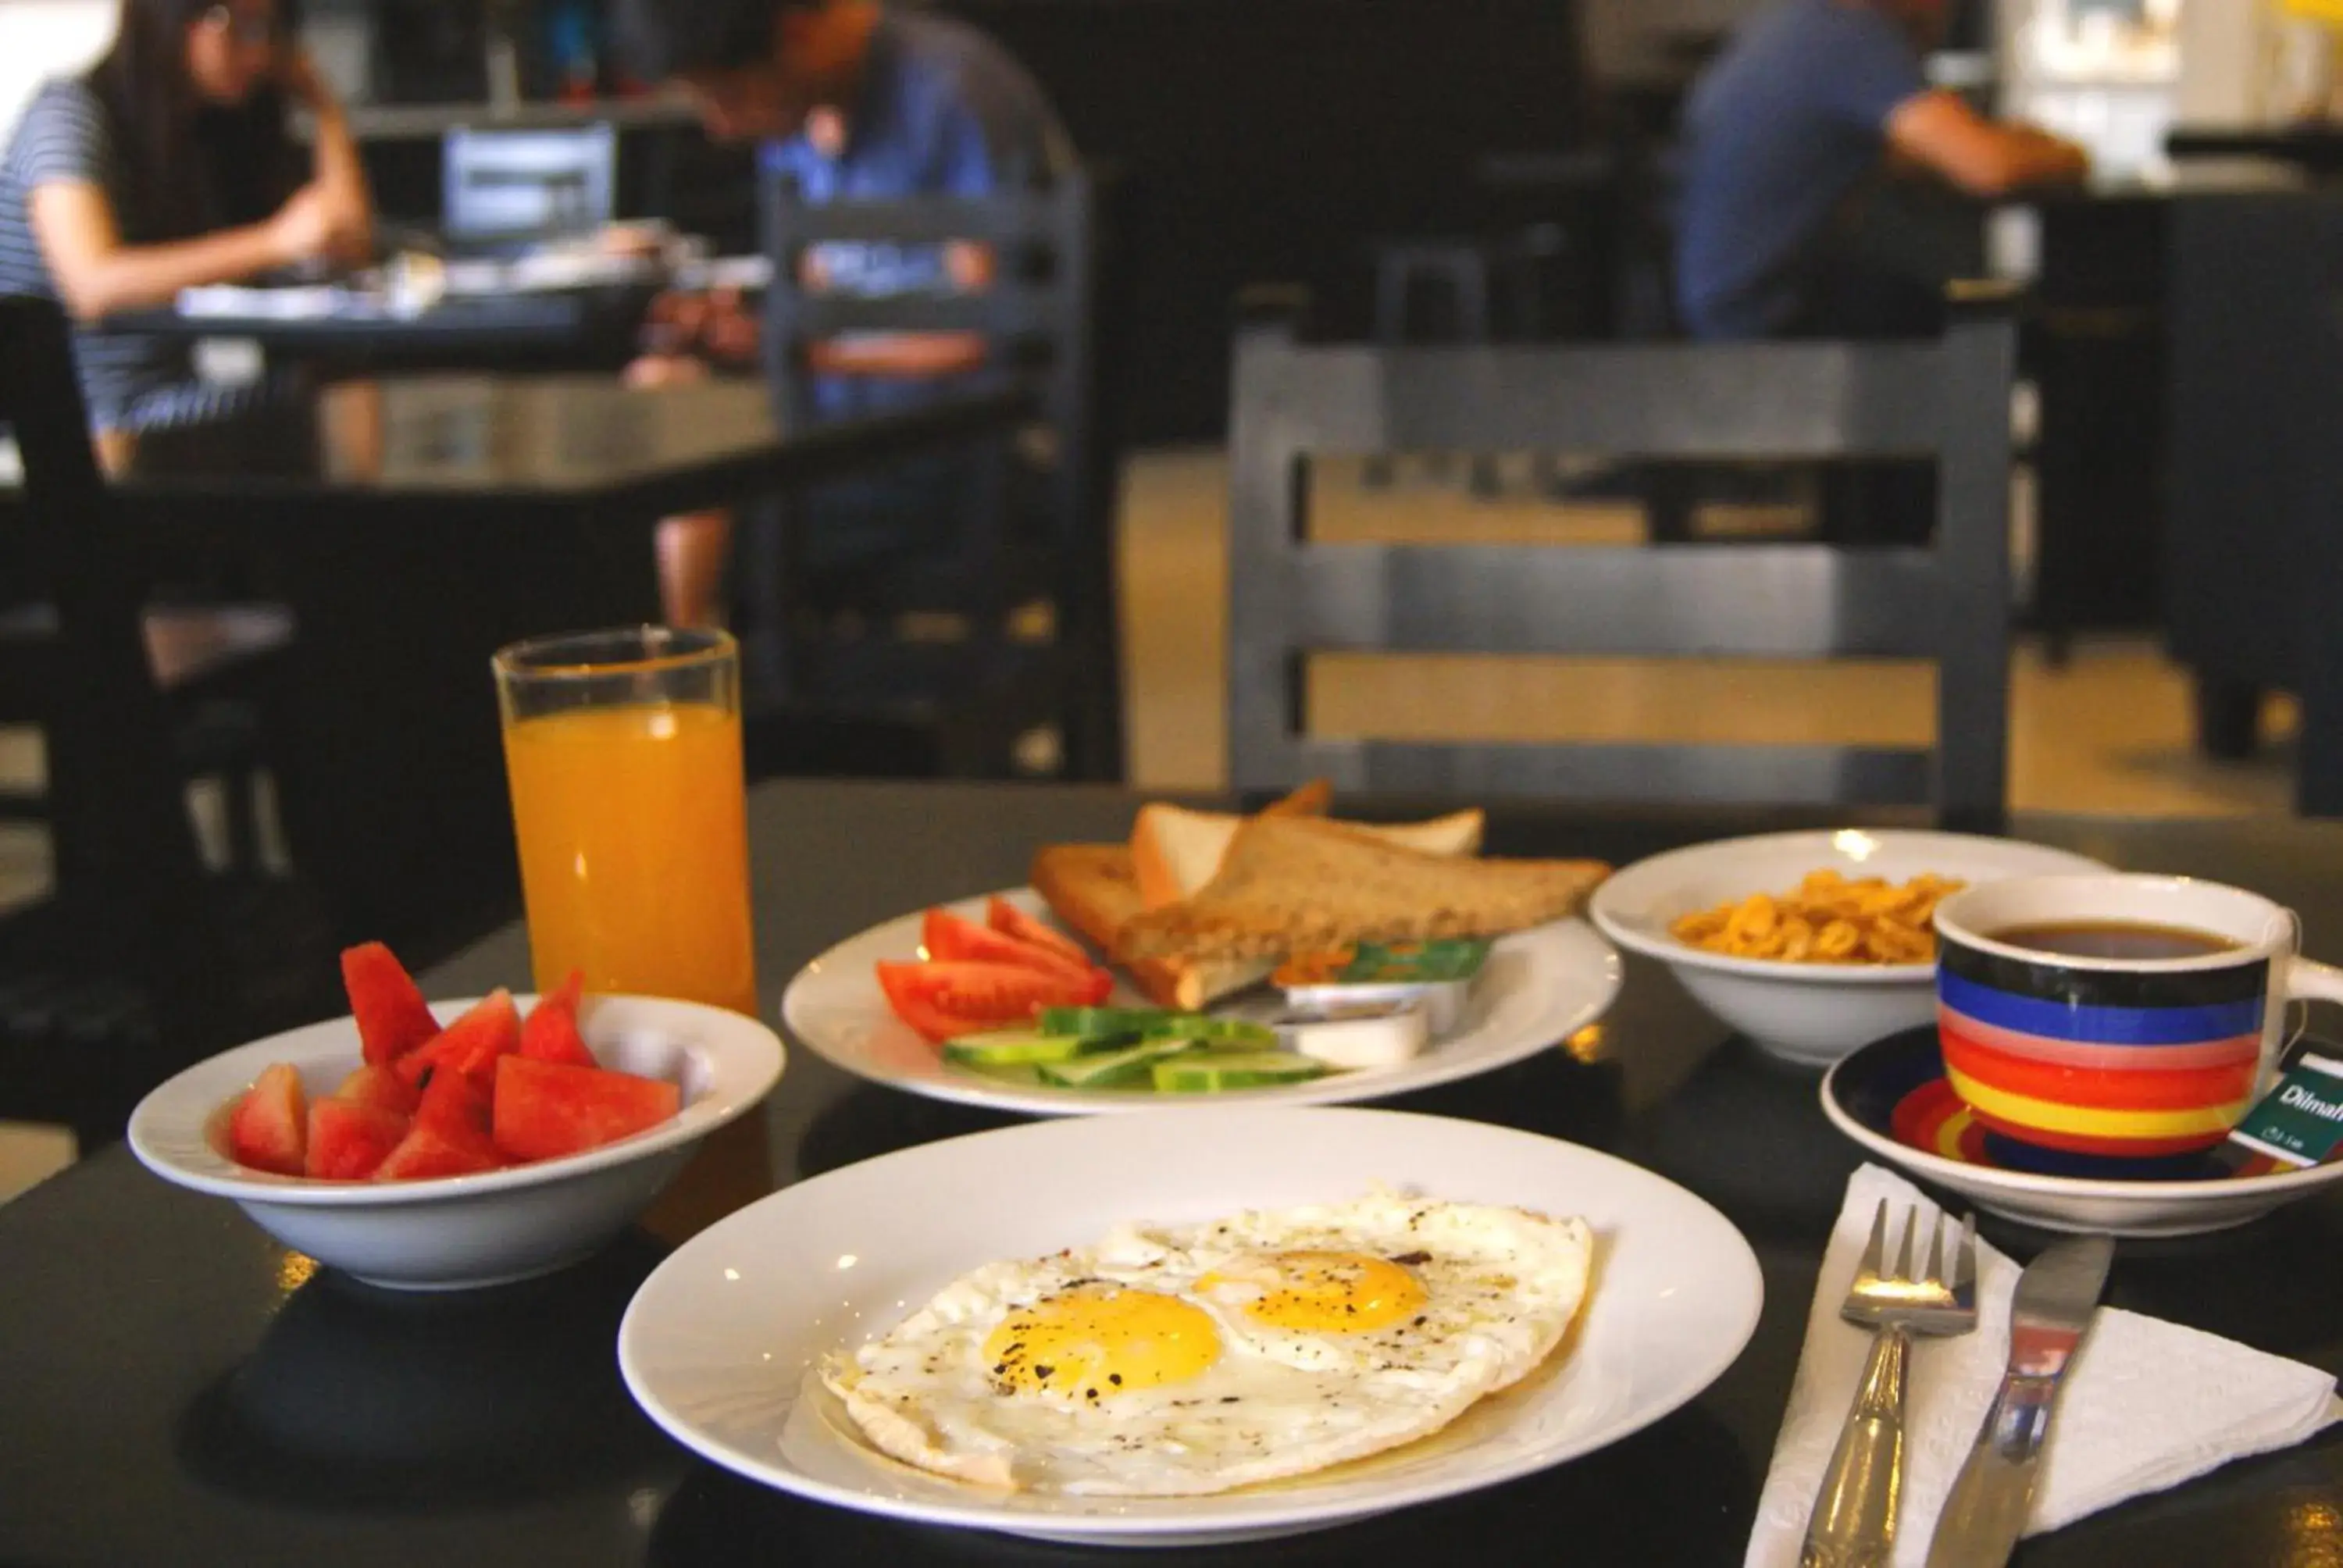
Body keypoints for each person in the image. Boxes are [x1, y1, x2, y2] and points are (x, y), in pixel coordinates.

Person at [616, 0, 1071, 628]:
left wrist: (809, 354)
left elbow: (991, 339)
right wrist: (754, 335)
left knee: (658, 518)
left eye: (729, 94)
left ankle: (685, 677)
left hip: (968, 457)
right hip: (850, 444)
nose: (721, 126)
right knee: (659, 399)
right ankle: (699, 677)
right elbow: (821, 313)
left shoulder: (951, 94)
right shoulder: (808, 116)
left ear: (795, 30)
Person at [0, 0, 373, 467]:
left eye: (268, 31)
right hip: (95, 420)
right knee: (321, 395)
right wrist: (274, 241)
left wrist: (322, 104)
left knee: (334, 379)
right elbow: (93, 286)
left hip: (165, 399)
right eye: (239, 26)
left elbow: (347, 240)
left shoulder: (200, 132)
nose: (258, 54)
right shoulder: (66, 114)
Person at [1674, 0, 2089, 341]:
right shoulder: (1850, 38)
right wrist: (2070, 155)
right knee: (1976, 317)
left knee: (1921, 288)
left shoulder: (1798, 26)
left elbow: (1912, 163)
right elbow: (1988, 168)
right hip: (1759, 322)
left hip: (1718, 305)